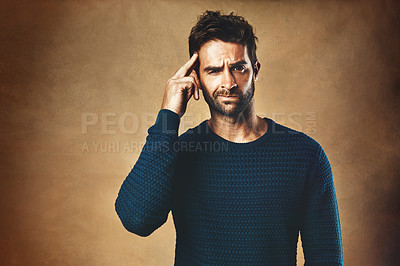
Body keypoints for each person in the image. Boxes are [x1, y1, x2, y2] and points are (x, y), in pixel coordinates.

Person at [115, 10, 343, 265]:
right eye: (213, 70)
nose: (228, 82)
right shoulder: (179, 151)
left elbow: (326, 258)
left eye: (238, 68)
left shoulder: (305, 155)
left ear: (255, 70)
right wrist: (168, 116)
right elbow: (136, 220)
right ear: (197, 79)